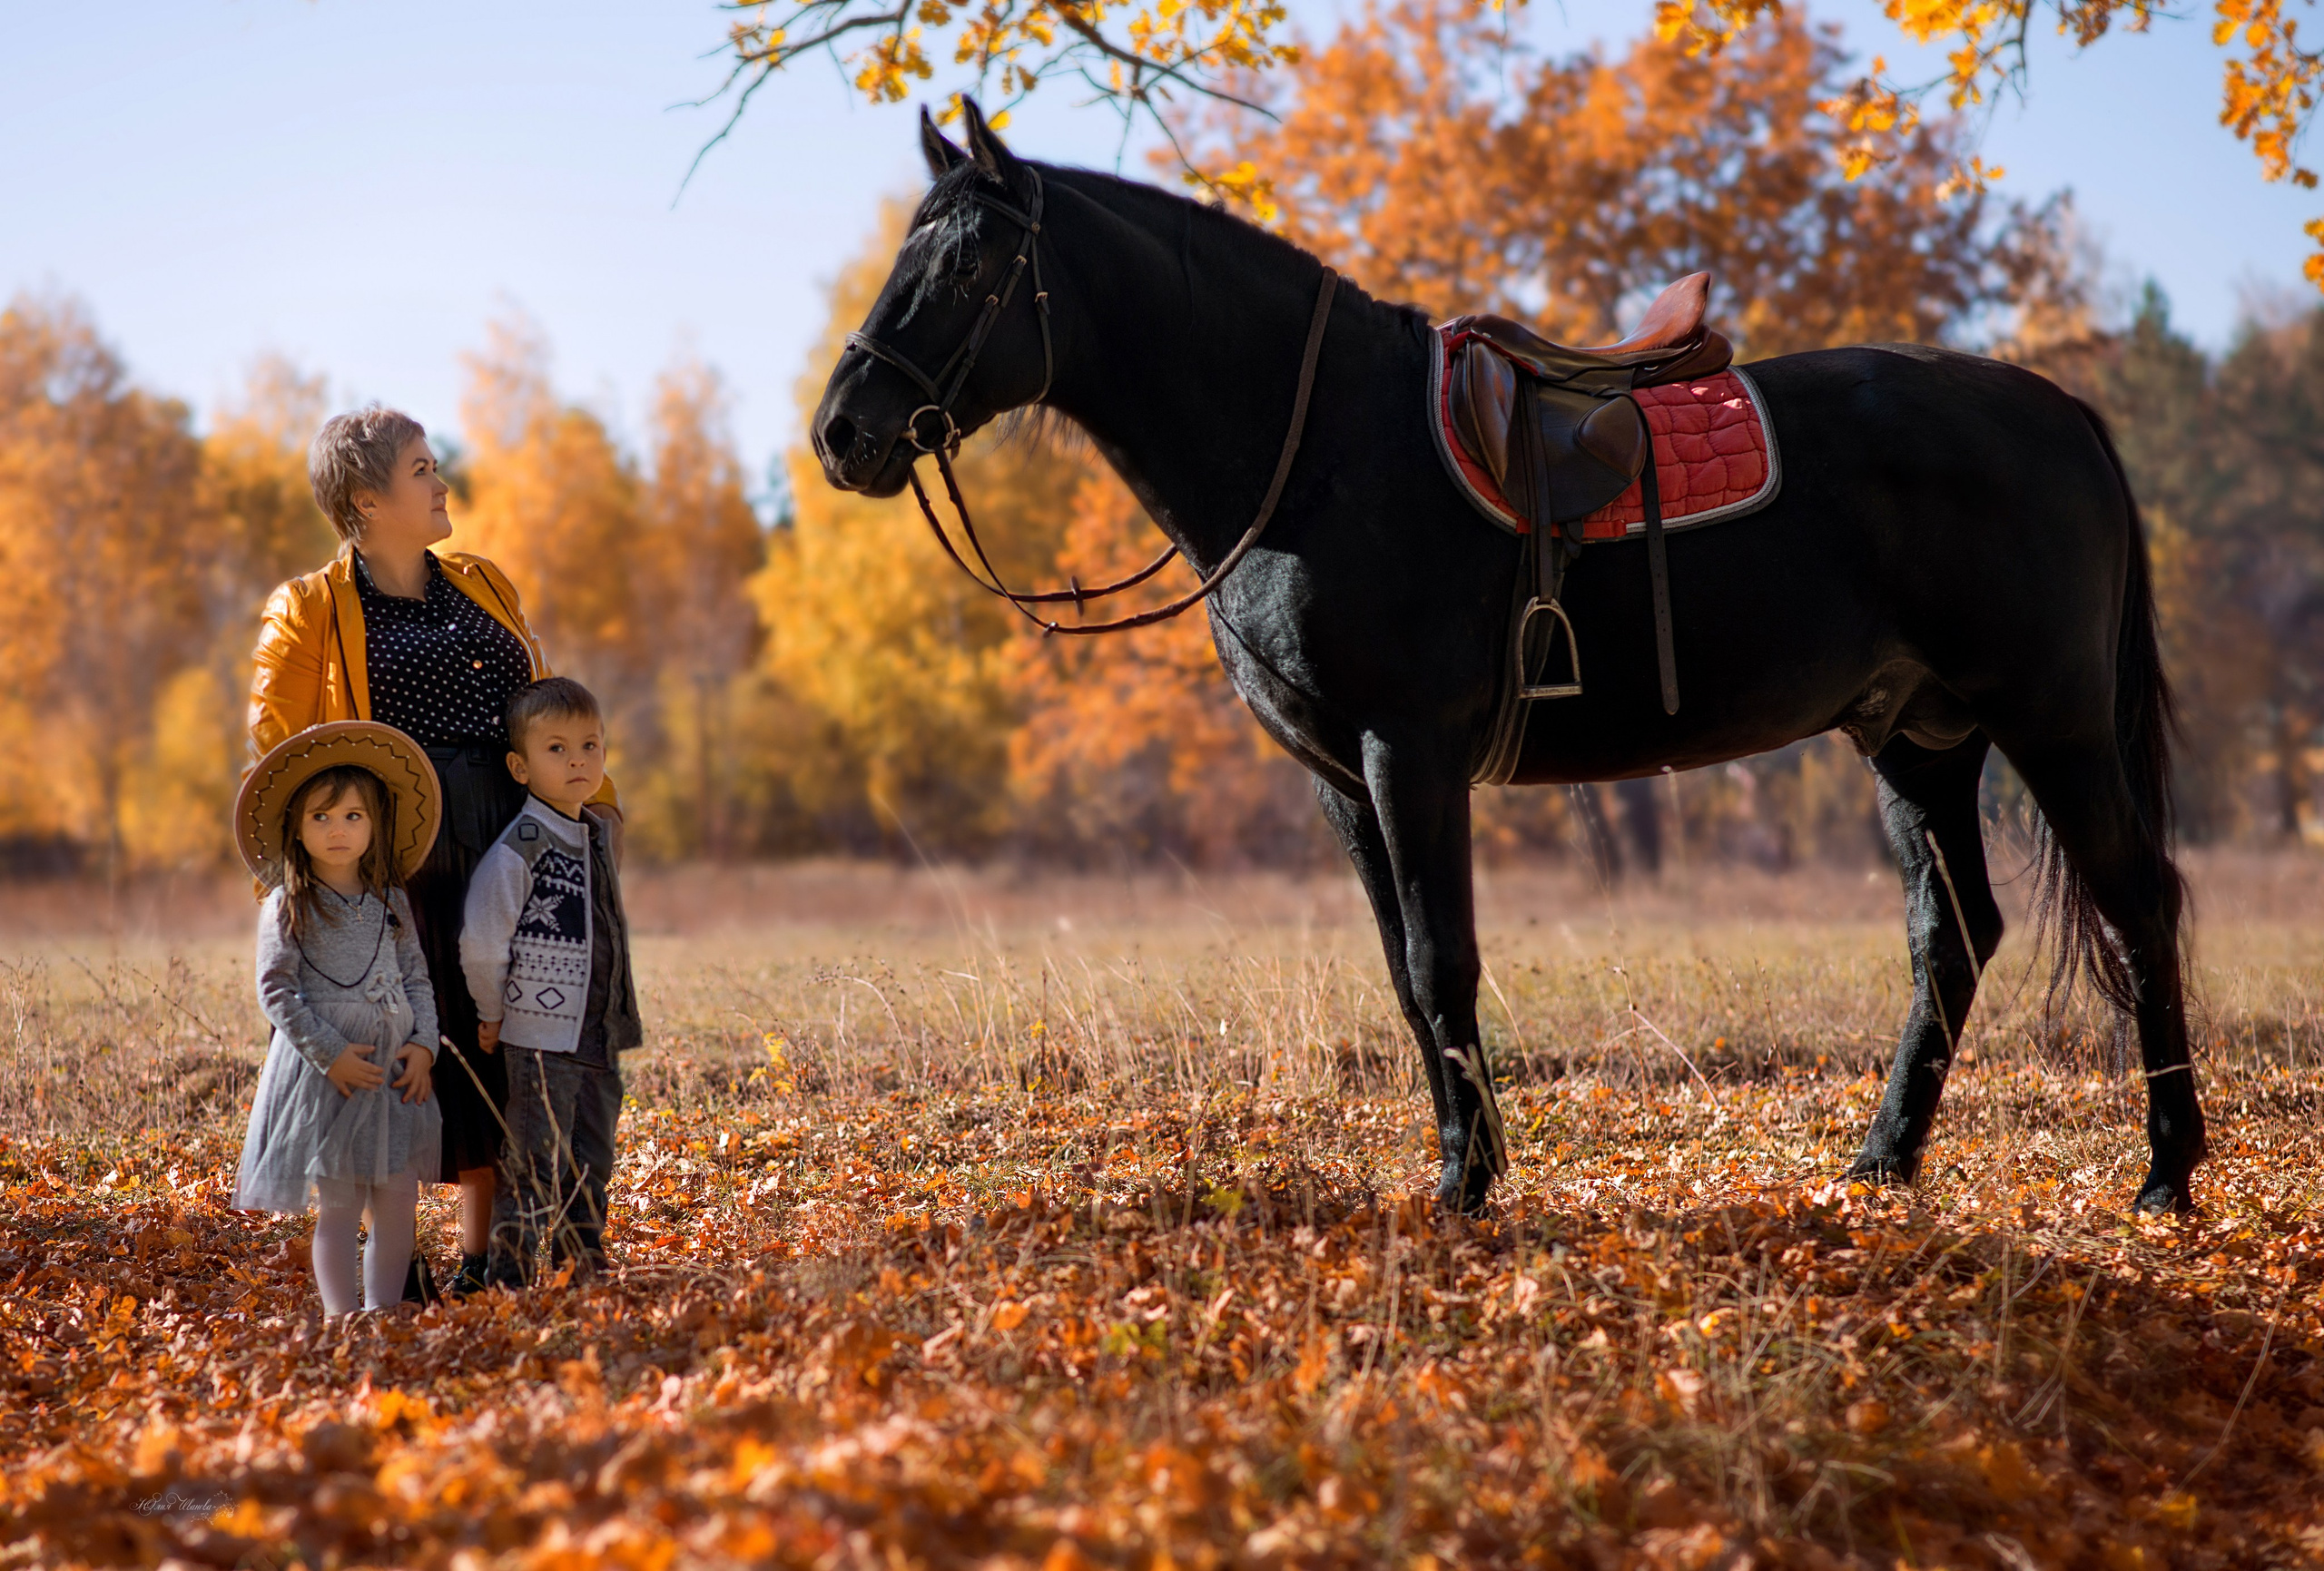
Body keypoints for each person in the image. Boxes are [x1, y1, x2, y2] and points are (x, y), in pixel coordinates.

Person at [248, 406, 621, 1300]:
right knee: (413, 1030)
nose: (441, 478)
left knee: (509, 1039)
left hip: (510, 833)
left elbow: (545, 704)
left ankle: (488, 1254)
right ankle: (395, 1262)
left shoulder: (484, 582)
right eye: (420, 469)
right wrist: (326, 867)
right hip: (399, 846)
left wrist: (592, 812)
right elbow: (281, 746)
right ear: (367, 499)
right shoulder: (307, 607)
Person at [230, 722, 444, 1317]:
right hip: (328, 1076)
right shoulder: (289, 901)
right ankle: (341, 1314)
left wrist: (424, 1045)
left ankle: (382, 1310)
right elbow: (276, 989)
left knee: (399, 1197)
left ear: (373, 826)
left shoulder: (391, 901)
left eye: (353, 816)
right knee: (343, 1201)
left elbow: (417, 978)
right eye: (322, 817)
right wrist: (330, 1052)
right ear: (297, 827)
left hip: (393, 1075)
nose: (338, 829)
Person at [460, 678, 641, 1287]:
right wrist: (492, 1012)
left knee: (592, 1157)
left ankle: (579, 1267)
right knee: (535, 1157)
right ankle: (508, 1277)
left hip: (598, 1029)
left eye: (591, 745)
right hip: (540, 1032)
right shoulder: (523, 847)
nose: (578, 761)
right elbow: (483, 940)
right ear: (520, 765)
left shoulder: (592, 833)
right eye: (558, 749)